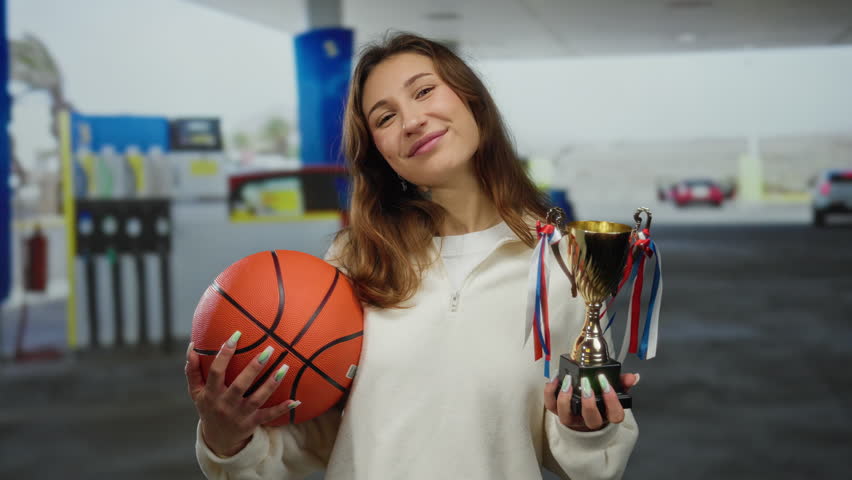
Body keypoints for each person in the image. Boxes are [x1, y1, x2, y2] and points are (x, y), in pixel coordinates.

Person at [186, 32, 639, 480]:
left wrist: (586, 430)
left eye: (424, 91)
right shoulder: (355, 261)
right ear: (381, 155)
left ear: (471, 101)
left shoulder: (560, 265)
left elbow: (591, 464)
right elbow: (308, 441)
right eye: (384, 118)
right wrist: (228, 438)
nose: (412, 121)